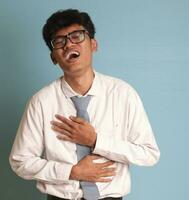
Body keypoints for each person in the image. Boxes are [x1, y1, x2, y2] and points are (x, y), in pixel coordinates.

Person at [9, 9, 160, 200]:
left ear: (93, 44)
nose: (69, 44)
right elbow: (20, 161)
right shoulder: (41, 102)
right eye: (59, 41)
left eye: (77, 36)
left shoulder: (123, 94)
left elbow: (149, 153)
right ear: (53, 57)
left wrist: (96, 141)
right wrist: (71, 172)